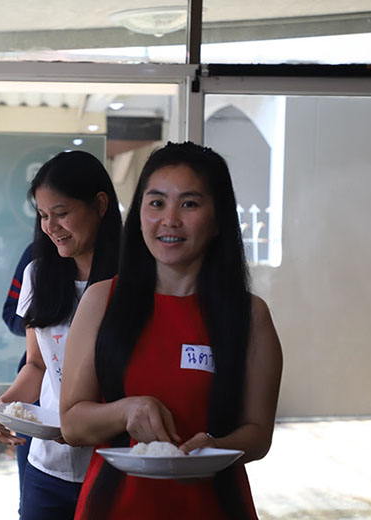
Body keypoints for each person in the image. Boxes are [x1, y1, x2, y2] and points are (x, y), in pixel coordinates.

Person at [60, 142, 283, 519]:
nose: (170, 219)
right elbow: (72, 424)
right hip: (115, 507)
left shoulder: (249, 315)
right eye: (157, 202)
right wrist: (126, 410)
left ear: (217, 219)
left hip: (215, 506)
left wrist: (213, 448)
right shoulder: (101, 301)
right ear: (139, 213)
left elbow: (259, 433)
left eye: (189, 204)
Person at [0, 150, 122, 520]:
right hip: (47, 468)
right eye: (43, 215)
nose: (50, 226)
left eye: (61, 213)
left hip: (113, 464)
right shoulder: (38, 274)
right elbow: (37, 365)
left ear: (100, 205)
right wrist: (4, 407)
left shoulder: (134, 282)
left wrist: (84, 425)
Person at [1, 242, 33, 513]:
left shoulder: (121, 258)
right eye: (44, 220)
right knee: (33, 499)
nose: (52, 226)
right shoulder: (37, 261)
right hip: (36, 396)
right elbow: (11, 314)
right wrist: (44, 324)